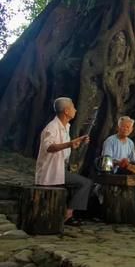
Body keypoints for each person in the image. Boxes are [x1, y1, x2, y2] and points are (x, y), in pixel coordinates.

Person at [35, 97, 93, 226]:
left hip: (60, 170)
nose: (76, 110)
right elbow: (49, 147)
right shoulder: (52, 127)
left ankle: (68, 213)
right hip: (50, 172)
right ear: (66, 111)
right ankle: (68, 214)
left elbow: (66, 146)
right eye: (73, 107)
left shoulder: (65, 126)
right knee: (85, 183)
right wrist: (70, 144)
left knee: (83, 183)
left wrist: (76, 142)